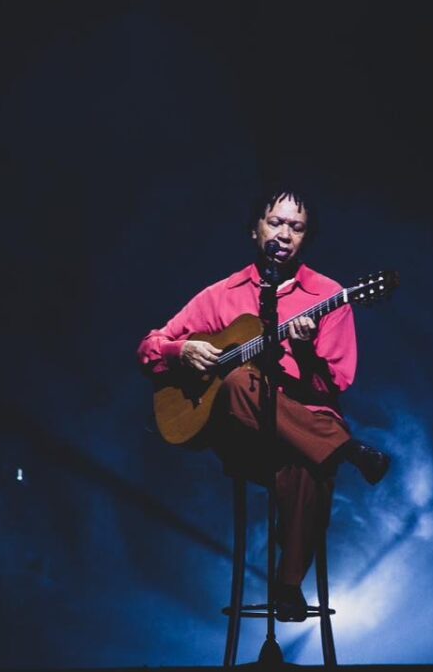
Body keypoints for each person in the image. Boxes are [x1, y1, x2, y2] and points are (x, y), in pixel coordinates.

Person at [137, 187, 390, 621]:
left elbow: (338, 382)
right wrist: (183, 352)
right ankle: (346, 448)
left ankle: (287, 586)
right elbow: (149, 347)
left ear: (306, 238)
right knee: (238, 380)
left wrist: (306, 352)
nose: (285, 234)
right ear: (254, 230)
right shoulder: (221, 294)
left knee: (310, 461)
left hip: (302, 426)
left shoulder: (329, 296)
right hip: (244, 436)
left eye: (296, 227)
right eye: (276, 223)